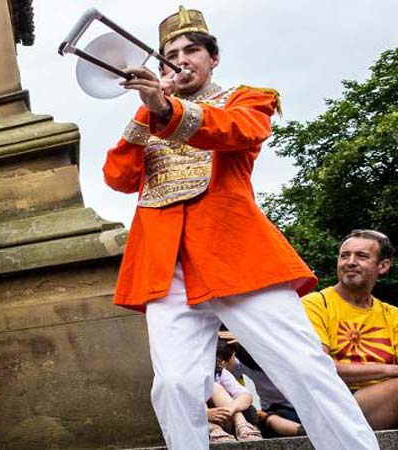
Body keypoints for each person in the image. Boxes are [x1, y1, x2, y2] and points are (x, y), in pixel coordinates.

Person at [101, 7, 377, 449]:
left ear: (213, 58)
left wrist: (167, 108)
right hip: (166, 267)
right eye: (171, 53)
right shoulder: (149, 117)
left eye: (192, 49)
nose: (180, 59)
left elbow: (238, 132)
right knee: (172, 386)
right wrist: (146, 112)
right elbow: (118, 177)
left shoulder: (247, 97)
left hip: (236, 257)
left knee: (305, 368)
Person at [303, 230, 398, 429]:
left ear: (383, 266)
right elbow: (319, 368)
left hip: (385, 400)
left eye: (361, 256)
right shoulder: (316, 304)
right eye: (344, 255)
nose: (350, 262)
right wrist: (388, 369)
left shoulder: (392, 314)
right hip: (335, 403)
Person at [206, 339, 262, 442]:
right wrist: (205, 413)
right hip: (199, 420)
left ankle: (242, 425)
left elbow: (246, 396)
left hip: (224, 418)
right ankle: (213, 429)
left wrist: (230, 409)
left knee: (215, 387)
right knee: (206, 388)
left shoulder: (219, 373)